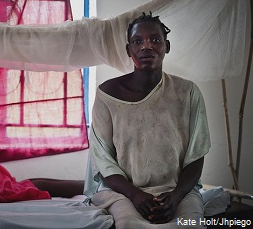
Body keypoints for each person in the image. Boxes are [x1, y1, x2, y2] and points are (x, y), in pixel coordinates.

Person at [84, 12, 211, 228]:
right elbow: (103, 159)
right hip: (124, 192)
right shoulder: (107, 95)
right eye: (137, 41)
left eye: (155, 39)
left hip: (177, 190)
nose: (146, 46)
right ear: (128, 50)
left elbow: (196, 155)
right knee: (129, 225)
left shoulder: (187, 93)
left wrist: (177, 196)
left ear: (166, 46)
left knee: (192, 224)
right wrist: (135, 195)